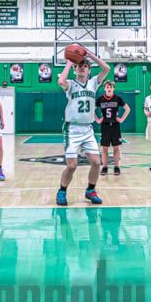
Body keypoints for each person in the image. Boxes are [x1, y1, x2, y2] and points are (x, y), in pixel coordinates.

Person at [56, 49, 111, 206]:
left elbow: (106, 69)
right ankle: (62, 191)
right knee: (72, 166)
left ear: (89, 70)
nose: (82, 68)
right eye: (79, 66)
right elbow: (61, 81)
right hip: (72, 129)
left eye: (85, 66)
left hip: (87, 129)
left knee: (96, 163)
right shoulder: (71, 84)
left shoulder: (93, 83)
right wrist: (69, 62)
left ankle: (90, 190)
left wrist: (90, 56)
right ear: (75, 69)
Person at [95, 80, 130, 176]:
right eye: (107, 87)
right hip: (105, 126)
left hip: (115, 126)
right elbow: (91, 109)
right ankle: (104, 167)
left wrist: (122, 119)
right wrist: (97, 120)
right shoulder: (100, 99)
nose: (109, 89)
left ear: (113, 88)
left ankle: (116, 167)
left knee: (116, 147)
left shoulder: (118, 98)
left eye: (111, 87)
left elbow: (127, 109)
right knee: (104, 148)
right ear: (104, 88)